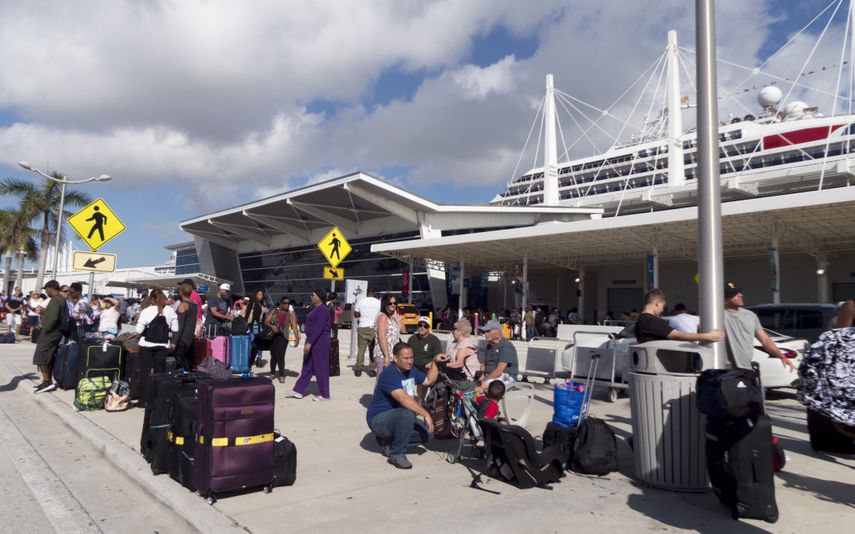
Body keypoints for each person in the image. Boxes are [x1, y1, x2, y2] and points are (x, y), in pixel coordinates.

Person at [366, 342, 447, 469]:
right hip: (378, 420)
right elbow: (403, 399)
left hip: (399, 417)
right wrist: (425, 413)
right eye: (406, 358)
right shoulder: (389, 373)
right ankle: (397, 453)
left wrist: (435, 363)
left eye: (411, 357)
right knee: (408, 413)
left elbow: (428, 380)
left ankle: (387, 441)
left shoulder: (411, 370)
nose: (410, 361)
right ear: (395, 358)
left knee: (429, 433)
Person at [723, 283, 796, 372]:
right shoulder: (716, 317)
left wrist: (782, 356)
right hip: (725, 369)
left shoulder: (750, 315)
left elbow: (765, 340)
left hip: (746, 368)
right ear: (725, 300)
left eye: (739, 292)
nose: (740, 295)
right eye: (734, 294)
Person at [286, 290, 330, 401]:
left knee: (320, 368)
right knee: (307, 366)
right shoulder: (316, 308)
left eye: (313, 295)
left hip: (319, 341)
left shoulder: (323, 309)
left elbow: (319, 327)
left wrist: (310, 342)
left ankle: (324, 394)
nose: (311, 296)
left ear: (319, 297)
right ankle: (298, 390)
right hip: (311, 340)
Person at [635, 289, 724, 344]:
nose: (662, 310)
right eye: (663, 306)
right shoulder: (651, 321)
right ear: (657, 303)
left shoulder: (640, 321)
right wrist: (707, 336)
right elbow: (678, 335)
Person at [32, 280, 66, 393]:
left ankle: (47, 382)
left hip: (50, 333)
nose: (46, 292)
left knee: (43, 356)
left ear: (51, 288)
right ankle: (46, 381)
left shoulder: (56, 300)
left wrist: (45, 328)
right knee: (47, 357)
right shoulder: (58, 300)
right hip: (53, 332)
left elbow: (53, 318)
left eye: (46, 289)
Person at [135, 289, 179, 376]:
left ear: (151, 299)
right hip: (163, 345)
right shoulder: (170, 310)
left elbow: (138, 331)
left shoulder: (146, 311)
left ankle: (146, 388)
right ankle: (158, 389)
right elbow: (175, 329)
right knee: (160, 371)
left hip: (146, 344)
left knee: (145, 371)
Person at [265, 296, 299, 383]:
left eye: (288, 303)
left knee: (281, 355)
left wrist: (297, 338)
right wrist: (272, 326)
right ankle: (272, 373)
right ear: (281, 303)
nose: (287, 305)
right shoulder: (275, 311)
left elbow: (294, 326)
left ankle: (281, 375)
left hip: (284, 336)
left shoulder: (291, 313)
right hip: (273, 336)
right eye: (285, 303)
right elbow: (266, 321)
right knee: (273, 356)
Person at [479, 319, 519, 384]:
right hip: (491, 376)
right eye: (485, 332)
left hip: (505, 376)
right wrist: (480, 375)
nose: (485, 334)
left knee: (482, 387)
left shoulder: (506, 346)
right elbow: (484, 365)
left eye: (488, 331)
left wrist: (483, 381)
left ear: (498, 332)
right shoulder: (489, 346)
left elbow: (499, 371)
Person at [373, 294, 403, 377]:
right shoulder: (382, 317)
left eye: (395, 303)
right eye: (390, 303)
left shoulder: (392, 317)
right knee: (382, 382)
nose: (393, 305)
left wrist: (397, 319)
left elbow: (403, 330)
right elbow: (382, 337)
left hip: (393, 355)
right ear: (385, 304)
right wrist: (387, 356)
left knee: (391, 382)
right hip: (383, 355)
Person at [354, 288, 381, 373]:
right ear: (374, 293)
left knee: (361, 349)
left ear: (366, 293)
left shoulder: (360, 301)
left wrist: (360, 319)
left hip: (362, 327)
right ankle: (372, 369)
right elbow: (381, 314)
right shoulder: (378, 302)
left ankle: (358, 368)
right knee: (372, 349)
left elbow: (356, 314)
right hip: (374, 328)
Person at [173, 282, 198, 370]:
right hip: (190, 337)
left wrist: (174, 341)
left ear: (181, 293)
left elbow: (180, 325)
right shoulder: (194, 305)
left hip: (182, 339)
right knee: (188, 363)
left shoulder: (183, 305)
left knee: (180, 364)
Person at [245, 289, 268, 366]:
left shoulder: (262, 304)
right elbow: (247, 313)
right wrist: (245, 324)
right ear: (255, 295)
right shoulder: (252, 302)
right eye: (259, 294)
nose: (261, 296)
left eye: (262, 295)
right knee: (253, 341)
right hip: (254, 324)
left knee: (259, 342)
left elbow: (264, 315)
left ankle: (259, 358)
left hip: (260, 325)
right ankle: (250, 359)